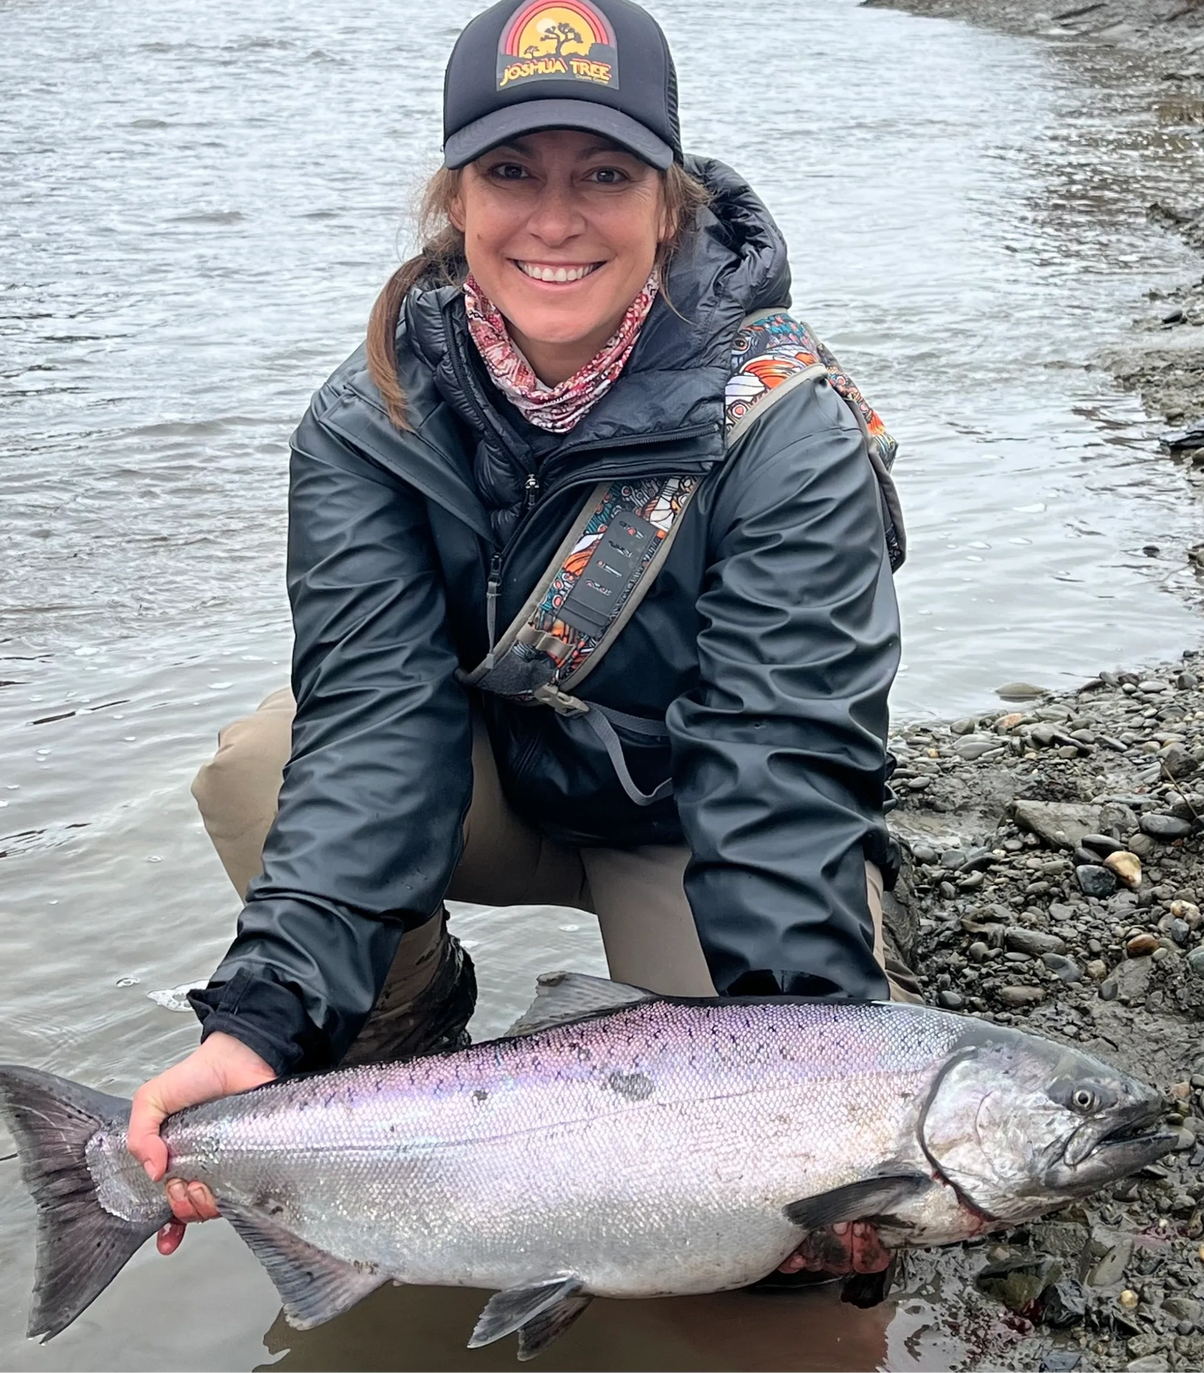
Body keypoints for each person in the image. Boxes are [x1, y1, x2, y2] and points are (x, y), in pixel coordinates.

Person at [127, 0, 915, 1277]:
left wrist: (814, 1087)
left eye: (603, 174)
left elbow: (779, 761)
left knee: (757, 1258)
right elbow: (377, 728)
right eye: (512, 172)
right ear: (454, 196)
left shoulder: (781, 425)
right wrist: (260, 1023)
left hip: (696, 817)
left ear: (668, 201)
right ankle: (399, 1022)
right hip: (483, 786)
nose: (555, 220)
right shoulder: (370, 417)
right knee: (257, 768)